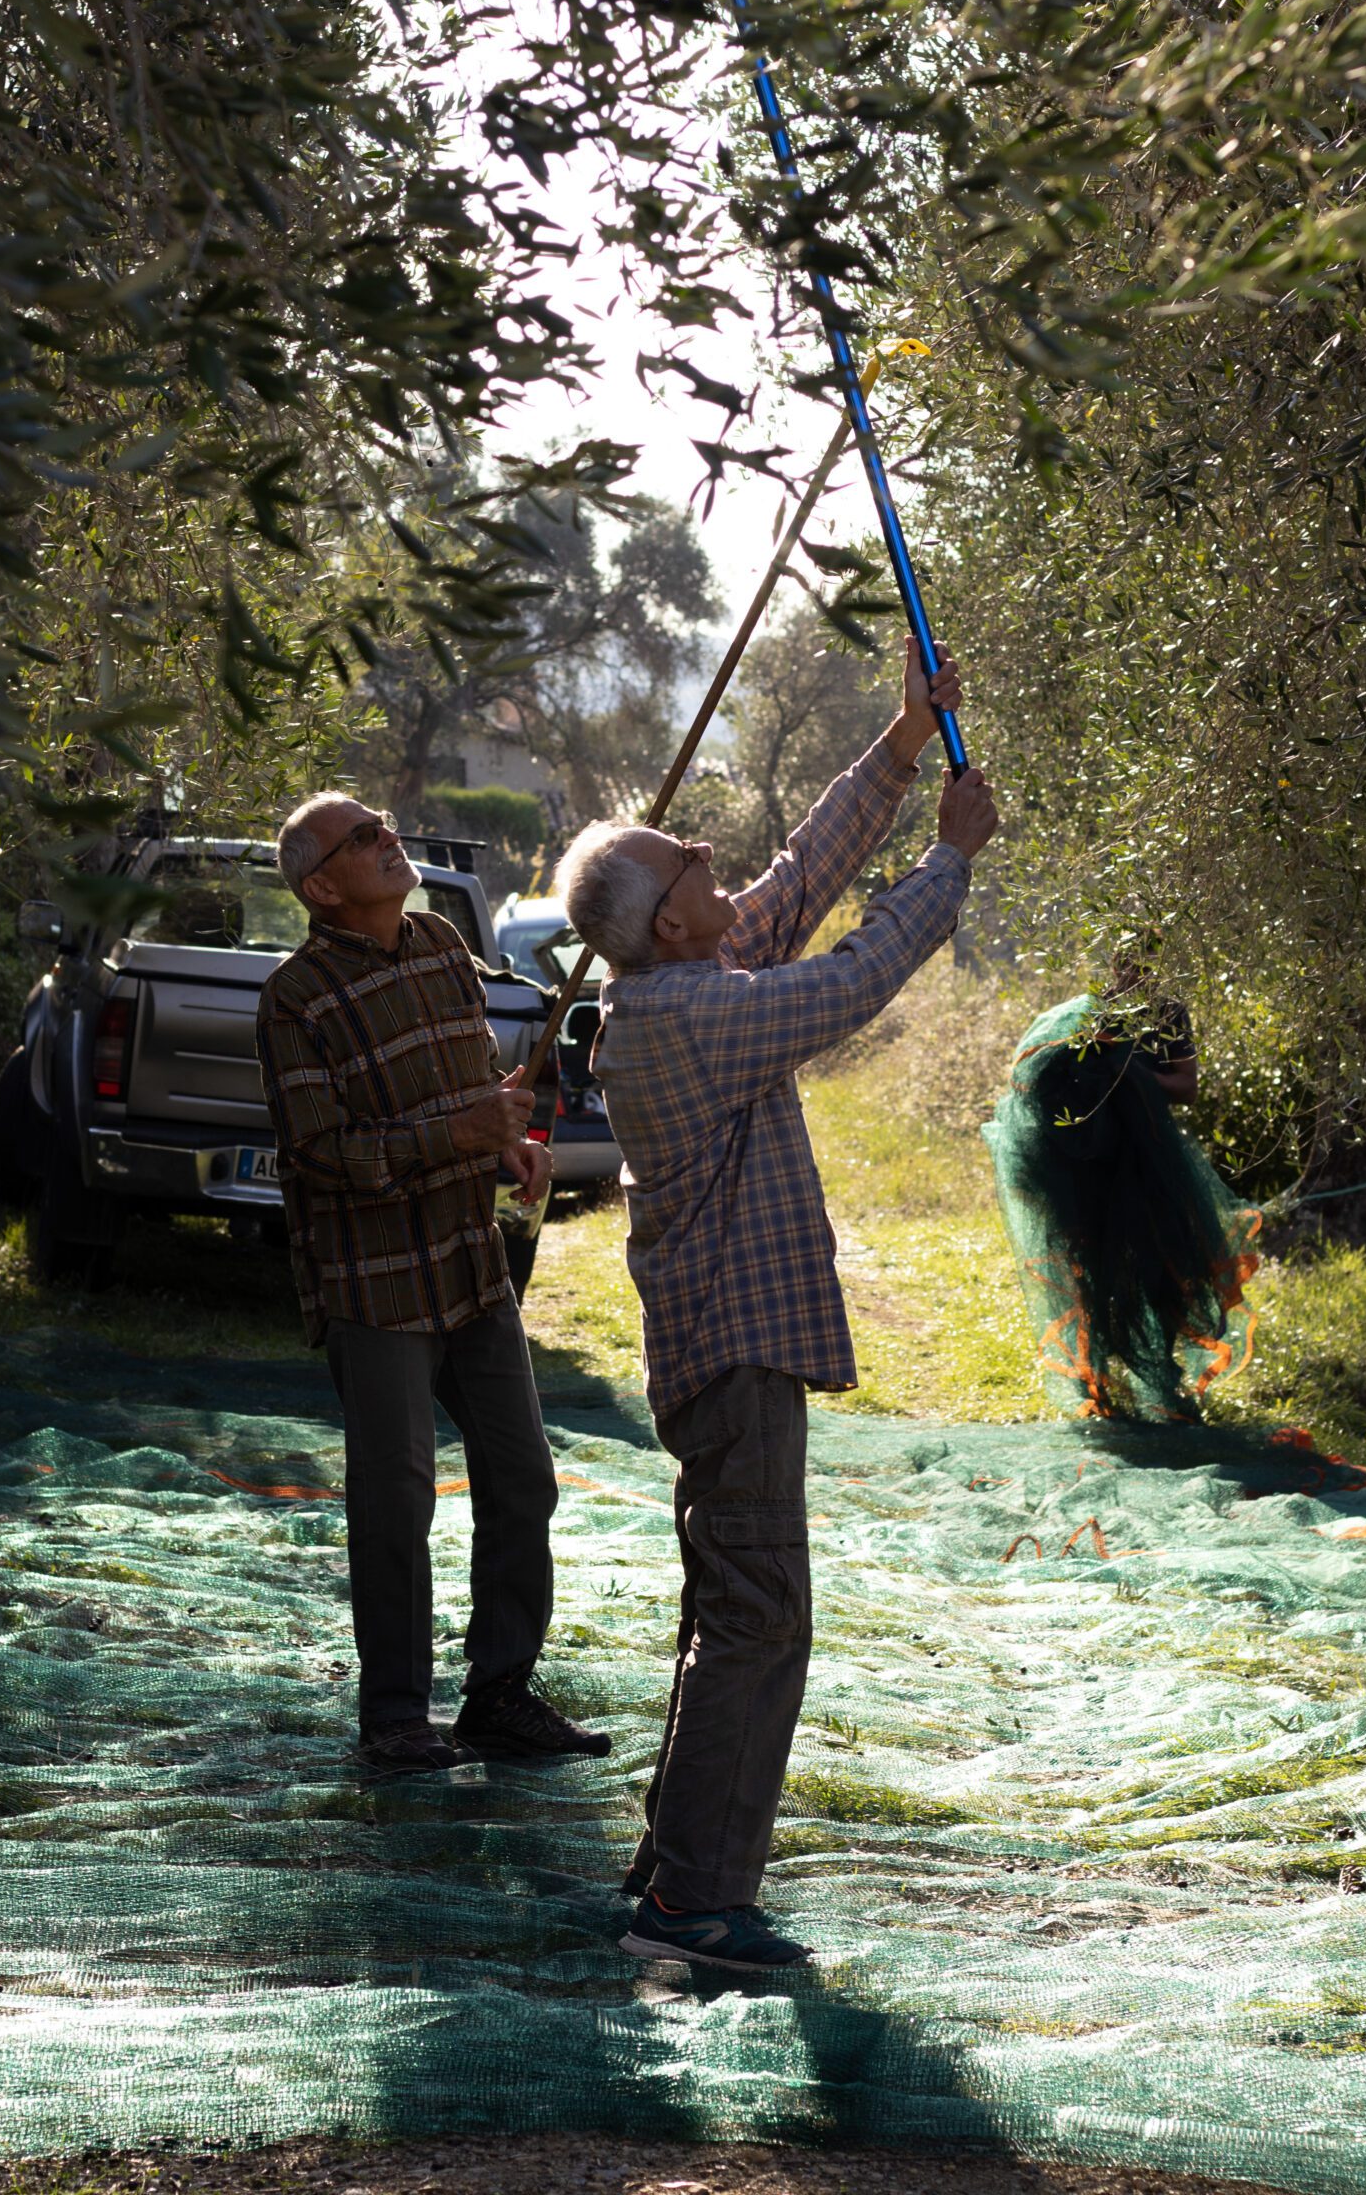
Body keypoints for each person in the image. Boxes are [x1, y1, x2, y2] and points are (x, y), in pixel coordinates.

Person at [555, 641, 1000, 1973]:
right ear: (671, 925)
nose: (709, 858)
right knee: (756, 1617)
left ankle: (674, 1879)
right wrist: (949, 860)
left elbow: (800, 880)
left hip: (723, 1354)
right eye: (689, 862)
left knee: (732, 1611)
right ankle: (693, 1909)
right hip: (732, 1359)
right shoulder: (688, 1014)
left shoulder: (682, 975)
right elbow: (846, 980)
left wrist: (902, 741)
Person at [256, 792, 610, 1775]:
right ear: (321, 885)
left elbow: (469, 1092)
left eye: (383, 825)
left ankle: (498, 1698)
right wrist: (457, 1133)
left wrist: (509, 1149)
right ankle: (396, 1720)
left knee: (522, 1479)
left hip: (469, 1262)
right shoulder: (294, 997)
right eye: (362, 837)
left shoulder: (443, 947)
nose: (386, 839)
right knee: (395, 1499)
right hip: (372, 1282)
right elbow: (320, 1153)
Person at [983, 949, 1259, 1422]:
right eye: (1128, 961)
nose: (1137, 971)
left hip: (1152, 1168)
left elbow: (1186, 1086)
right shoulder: (1086, 1014)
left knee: (1162, 1273)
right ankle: (1096, 1390)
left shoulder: (1169, 1014)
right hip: (1087, 1174)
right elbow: (1033, 1078)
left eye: (1148, 961)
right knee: (1088, 1275)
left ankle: (1163, 1386)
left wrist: (1129, 1071)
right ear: (1113, 963)